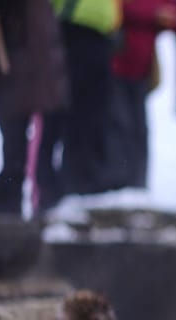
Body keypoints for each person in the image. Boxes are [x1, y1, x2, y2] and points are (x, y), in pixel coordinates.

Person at [0, 0, 68, 217]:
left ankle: (35, 208)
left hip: (39, 74)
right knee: (15, 151)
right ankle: (11, 212)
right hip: (14, 72)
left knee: (34, 151)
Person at [51, 0, 122, 196]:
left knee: (96, 111)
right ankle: (75, 182)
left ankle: (90, 179)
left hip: (102, 33)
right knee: (78, 110)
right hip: (74, 28)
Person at [108, 0, 176, 190]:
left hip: (141, 69)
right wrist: (154, 14)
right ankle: (118, 182)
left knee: (138, 129)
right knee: (119, 126)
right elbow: (119, 8)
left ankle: (136, 184)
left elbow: (173, 14)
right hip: (116, 66)